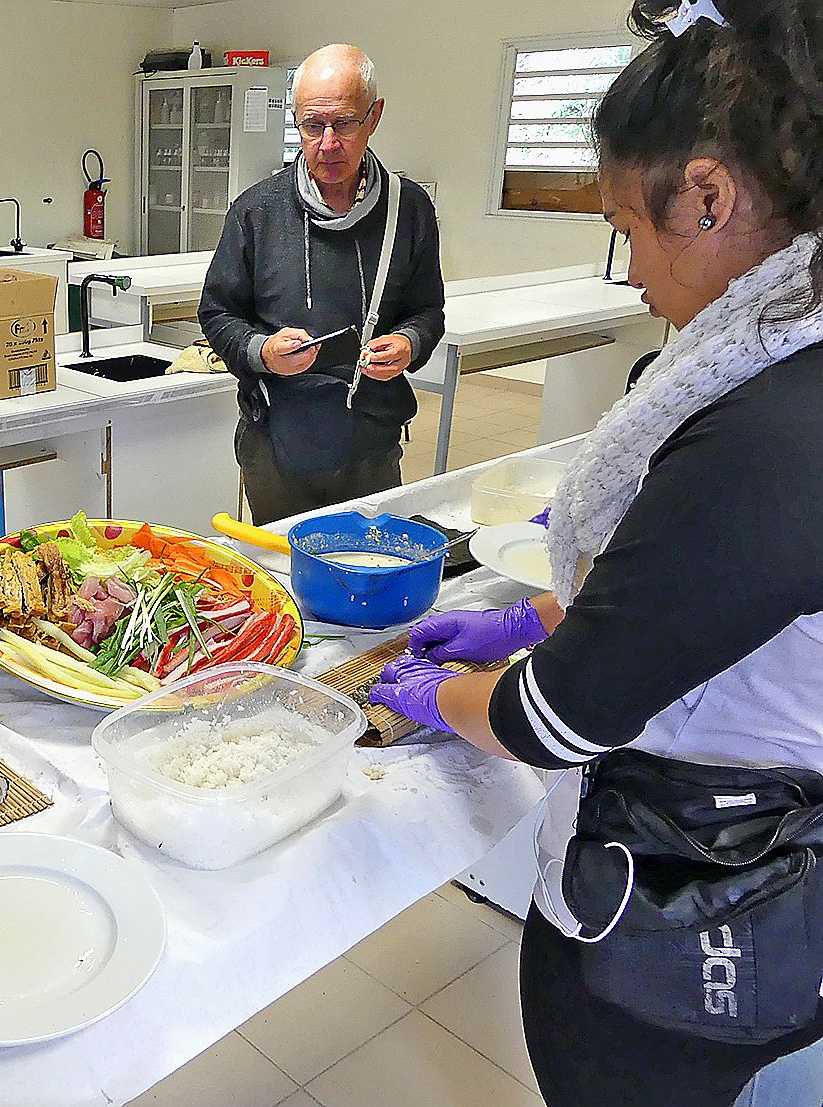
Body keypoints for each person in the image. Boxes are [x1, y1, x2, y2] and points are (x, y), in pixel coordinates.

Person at [368, 3, 823, 1104]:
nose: (627, 273)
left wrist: (452, 693)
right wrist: (533, 618)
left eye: (626, 224)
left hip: (688, 894)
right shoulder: (784, 362)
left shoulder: (770, 431)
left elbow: (553, 719)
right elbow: (703, 614)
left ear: (708, 195)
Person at [199, 44, 445, 525]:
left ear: (374, 117)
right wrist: (262, 351)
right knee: (283, 579)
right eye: (312, 126)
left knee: (364, 570)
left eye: (344, 124)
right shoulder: (258, 210)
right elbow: (217, 312)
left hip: (369, 440)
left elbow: (428, 312)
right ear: (296, 122)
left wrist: (408, 343)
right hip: (275, 438)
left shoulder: (408, 210)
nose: (327, 143)